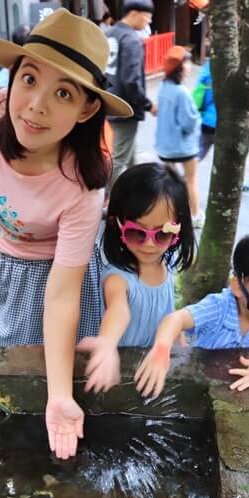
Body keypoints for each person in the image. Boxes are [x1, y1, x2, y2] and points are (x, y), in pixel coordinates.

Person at [0, 9, 133, 459]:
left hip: (47, 282)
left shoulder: (82, 185)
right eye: (29, 80)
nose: (36, 105)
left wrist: (60, 396)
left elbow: (63, 294)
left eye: (62, 93)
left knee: (45, 393)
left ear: (87, 107)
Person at [134, 228, 249, 398]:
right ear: (238, 287)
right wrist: (161, 350)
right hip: (204, 386)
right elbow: (175, 319)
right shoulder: (218, 308)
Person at [76, 163, 196, 393]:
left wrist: (178, 338)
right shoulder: (118, 278)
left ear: (179, 231)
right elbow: (118, 310)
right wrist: (107, 344)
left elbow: (169, 310)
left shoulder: (167, 264)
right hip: (119, 369)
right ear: (117, 225)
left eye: (163, 234)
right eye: (136, 232)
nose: (150, 244)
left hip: (154, 362)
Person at [105, 0, 156, 189]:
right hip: (125, 107)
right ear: (134, 14)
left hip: (110, 102)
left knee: (128, 149)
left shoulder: (110, 33)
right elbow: (131, 81)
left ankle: (139, 186)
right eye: (147, 17)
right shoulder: (131, 40)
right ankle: (109, 200)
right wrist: (148, 104)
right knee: (119, 158)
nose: (148, 22)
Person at [154, 46, 202, 226]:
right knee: (190, 181)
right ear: (179, 67)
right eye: (187, 62)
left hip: (164, 147)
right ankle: (195, 216)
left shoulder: (163, 86)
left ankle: (171, 214)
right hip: (183, 146)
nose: (189, 66)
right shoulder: (182, 93)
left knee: (169, 183)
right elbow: (189, 123)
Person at [191, 62, 249, 192]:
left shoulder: (208, 67)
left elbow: (200, 91)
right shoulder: (231, 66)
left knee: (200, 151)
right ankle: (238, 181)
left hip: (207, 120)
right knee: (233, 155)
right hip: (224, 121)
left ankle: (181, 174)